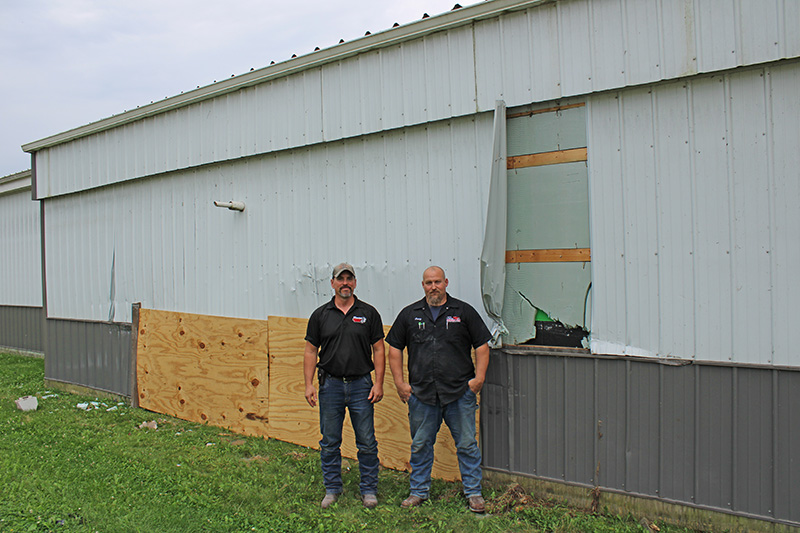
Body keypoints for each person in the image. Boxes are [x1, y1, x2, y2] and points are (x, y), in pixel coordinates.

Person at [386, 266, 491, 513]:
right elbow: (394, 348)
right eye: (428, 282)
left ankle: (473, 493)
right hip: (422, 395)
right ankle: (418, 491)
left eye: (437, 282)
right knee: (421, 445)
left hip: (459, 394)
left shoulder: (463, 312)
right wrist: (400, 383)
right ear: (423, 285)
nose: (433, 287)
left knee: (467, 445)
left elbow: (482, 346)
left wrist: (479, 379)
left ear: (446, 282)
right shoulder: (410, 314)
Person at [304, 262, 386, 509]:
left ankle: (369, 490)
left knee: (367, 441)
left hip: (362, 385)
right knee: (330, 441)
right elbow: (310, 351)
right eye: (340, 279)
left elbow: (379, 349)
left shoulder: (369, 313)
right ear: (332, 283)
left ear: (355, 283)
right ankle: (332, 489)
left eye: (349, 279)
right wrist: (308, 384)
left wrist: (378, 383)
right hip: (330, 386)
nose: (345, 283)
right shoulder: (320, 315)